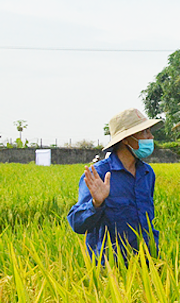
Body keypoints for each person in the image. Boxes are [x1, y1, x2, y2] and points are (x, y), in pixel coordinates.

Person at [67, 108, 163, 263]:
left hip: (146, 265)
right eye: (145, 132)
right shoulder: (98, 175)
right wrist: (96, 204)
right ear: (126, 139)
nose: (151, 137)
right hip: (111, 271)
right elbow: (77, 224)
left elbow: (147, 222)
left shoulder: (147, 173)